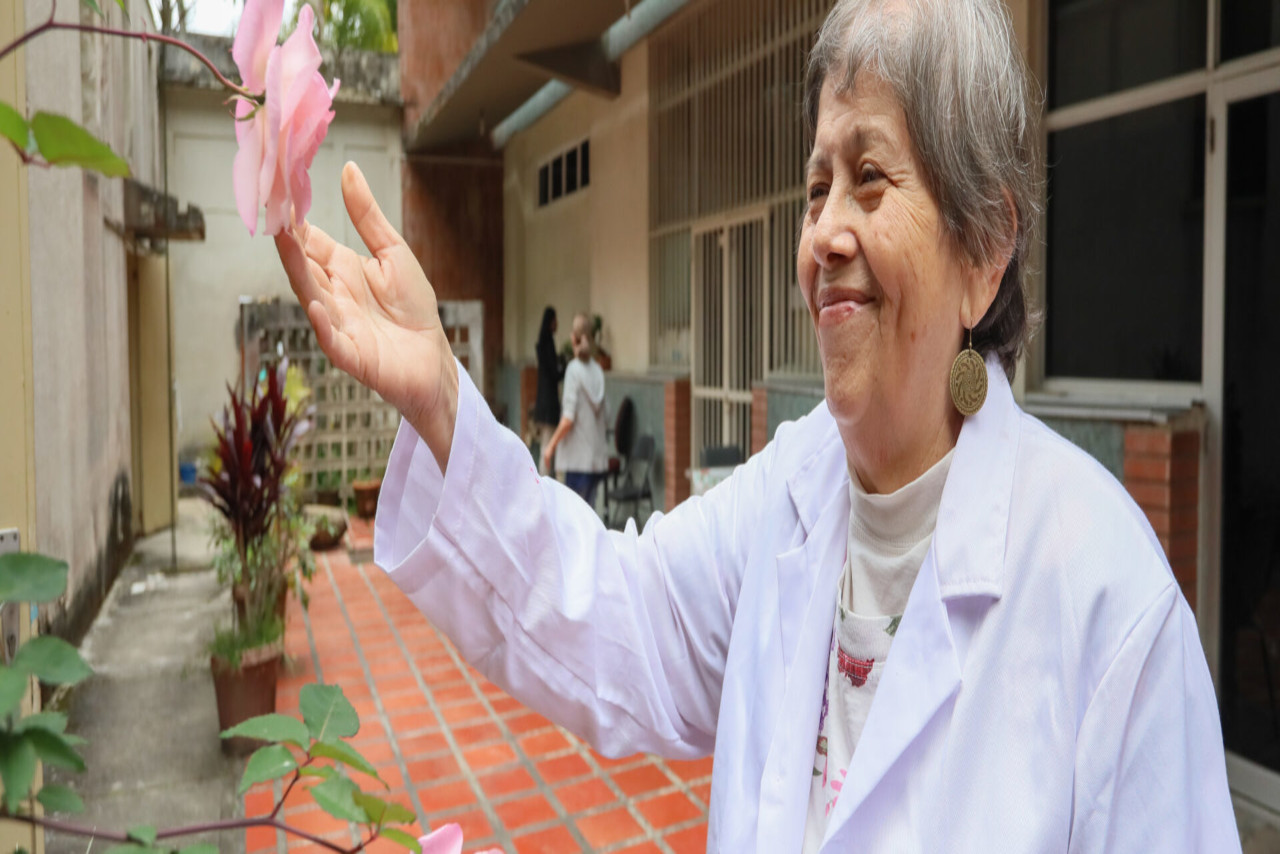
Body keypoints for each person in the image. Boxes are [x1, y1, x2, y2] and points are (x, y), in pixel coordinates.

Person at [273, 0, 1240, 849]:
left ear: (984, 250)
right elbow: (608, 615)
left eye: (870, 177)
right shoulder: (792, 489)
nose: (823, 234)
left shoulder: (1109, 601)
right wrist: (443, 400)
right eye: (816, 187)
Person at [541, 312, 609, 506]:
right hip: (596, 461)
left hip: (576, 462)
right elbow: (607, 416)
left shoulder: (573, 370)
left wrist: (550, 446)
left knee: (573, 525)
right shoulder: (598, 370)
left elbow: (568, 418)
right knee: (589, 522)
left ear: (576, 338)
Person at [532, 306, 562, 474]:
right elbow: (554, 373)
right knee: (547, 445)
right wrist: (565, 368)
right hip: (549, 404)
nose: (557, 324)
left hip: (543, 402)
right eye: (555, 320)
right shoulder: (548, 343)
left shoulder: (543, 343)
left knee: (546, 443)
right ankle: (543, 482)